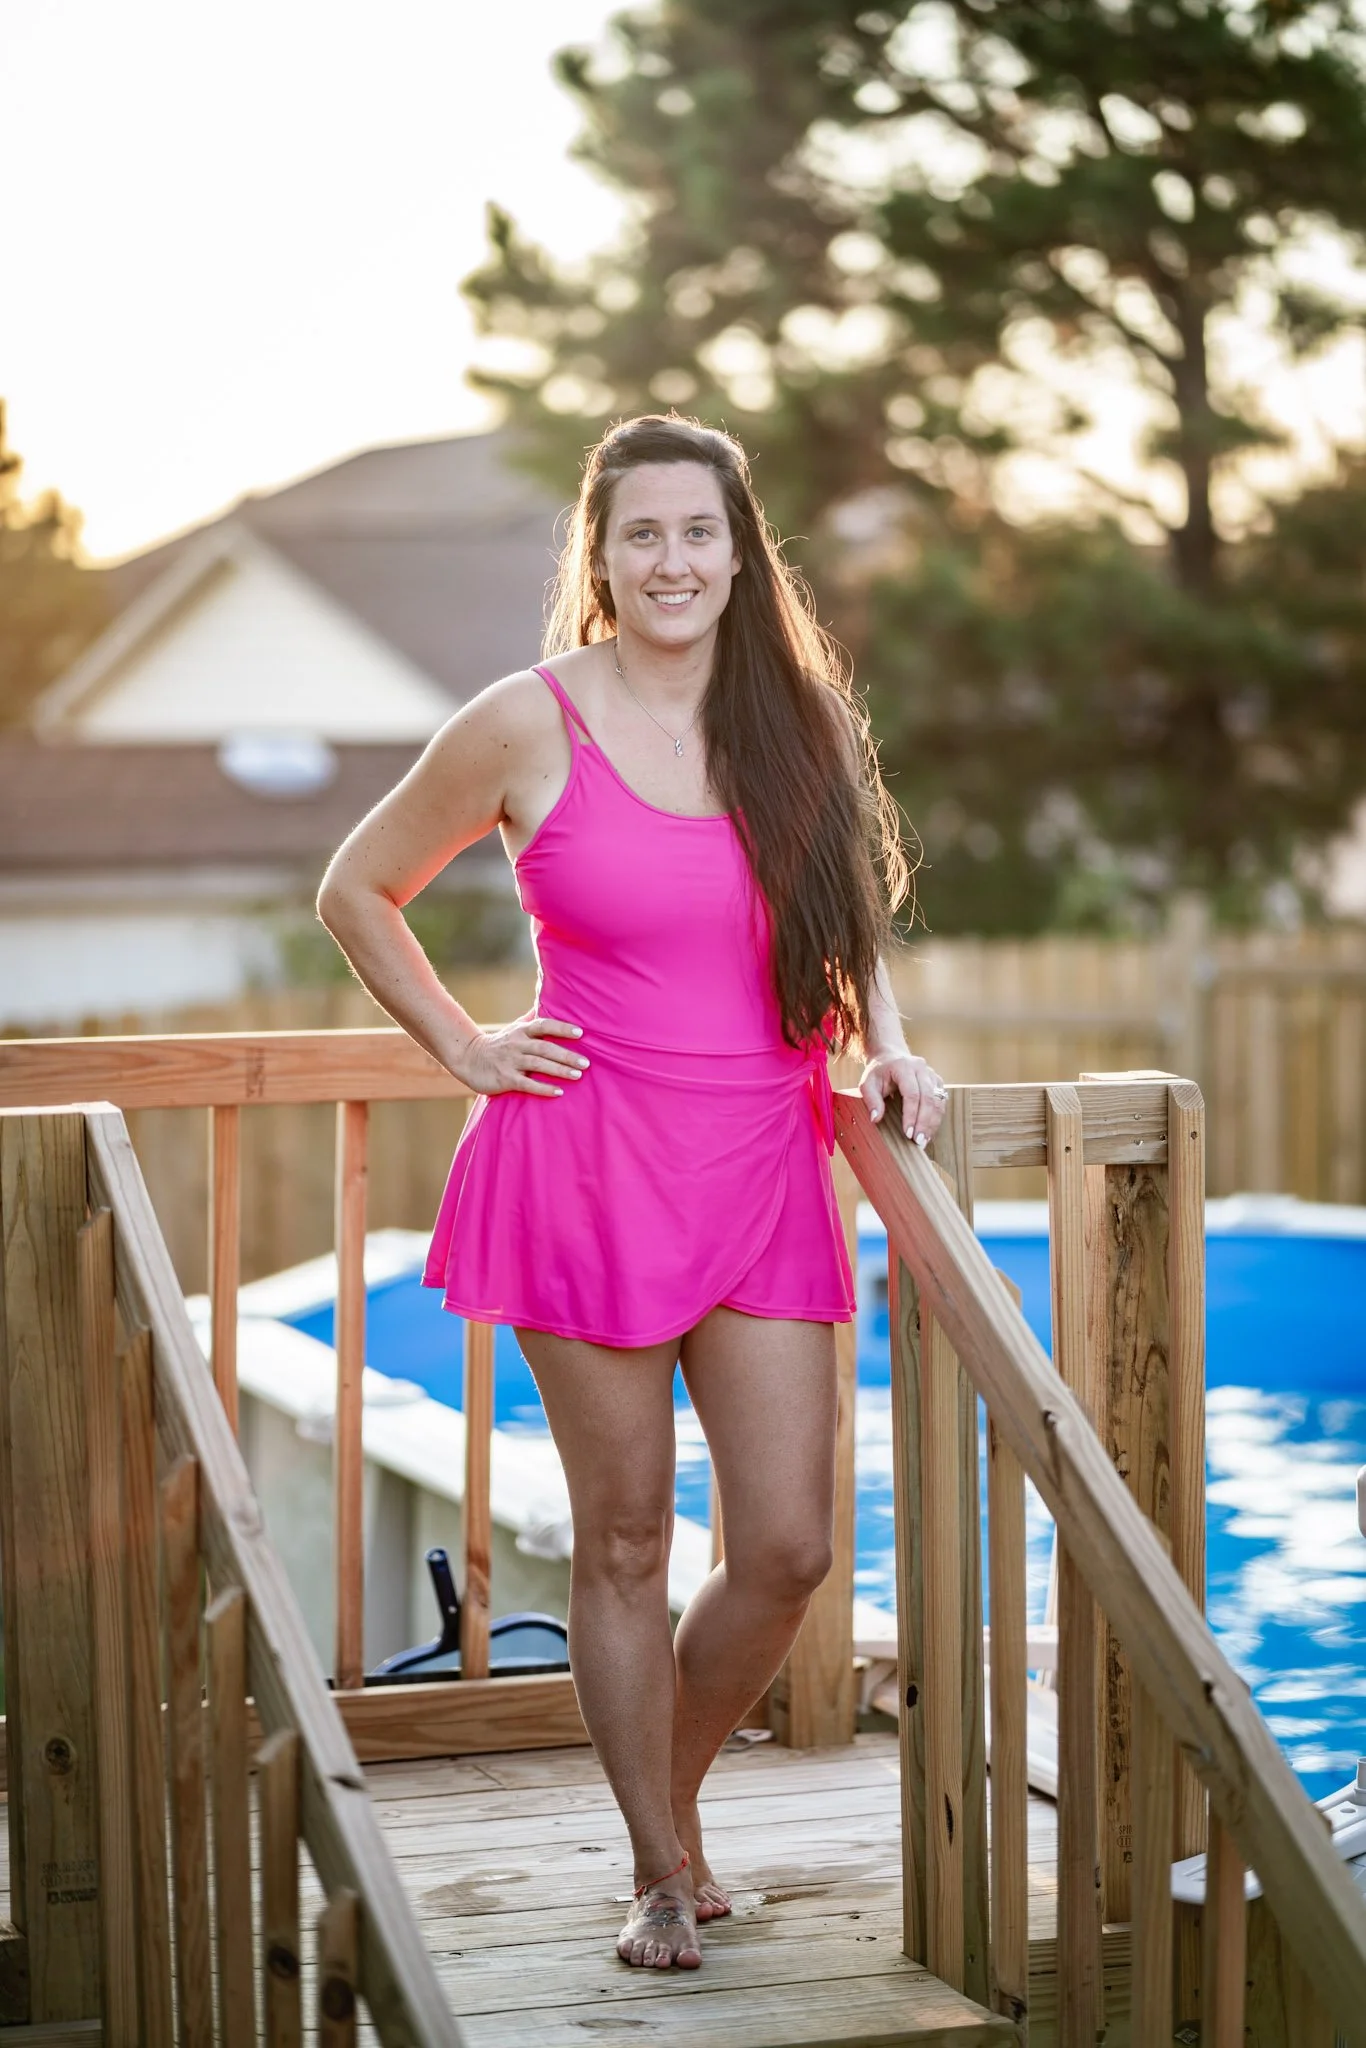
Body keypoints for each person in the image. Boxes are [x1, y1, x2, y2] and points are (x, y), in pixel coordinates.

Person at [317, 414, 948, 1971]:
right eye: (642, 533)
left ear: (741, 555)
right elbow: (355, 886)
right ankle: (661, 1868)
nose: (672, 561)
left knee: (789, 1545)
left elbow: (847, 913)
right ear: (599, 555)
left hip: (760, 1159)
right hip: (583, 1164)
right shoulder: (523, 722)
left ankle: (661, 1796)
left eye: (698, 533)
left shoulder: (800, 719)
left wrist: (892, 1044)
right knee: (621, 1543)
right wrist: (464, 1041)